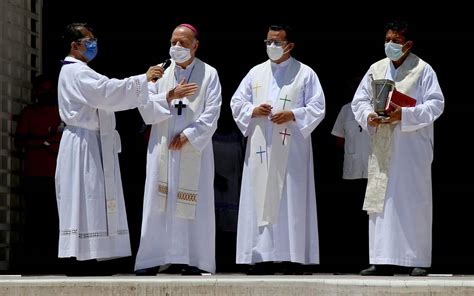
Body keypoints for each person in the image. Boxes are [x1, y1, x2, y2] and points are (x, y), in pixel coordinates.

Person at [55, 23, 165, 265]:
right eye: (89, 40)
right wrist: (142, 79)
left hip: (92, 141)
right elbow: (106, 92)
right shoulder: (77, 72)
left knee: (90, 197)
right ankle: (81, 258)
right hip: (84, 144)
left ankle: (89, 256)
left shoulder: (77, 70)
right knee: (86, 196)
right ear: (75, 45)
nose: (94, 44)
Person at [230, 24, 325, 275]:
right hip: (262, 145)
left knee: (290, 199)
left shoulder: (305, 73)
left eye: (277, 42)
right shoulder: (255, 72)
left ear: (289, 46)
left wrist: (293, 113)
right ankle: (261, 257)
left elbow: (318, 107)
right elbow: (237, 102)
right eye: (268, 42)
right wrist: (253, 110)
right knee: (259, 198)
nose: (272, 47)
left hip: (290, 147)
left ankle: (292, 257)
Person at [352, 20, 444, 276]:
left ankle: (417, 259)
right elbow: (359, 100)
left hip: (411, 147)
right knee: (382, 200)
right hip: (383, 143)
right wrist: (369, 115)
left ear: (408, 45)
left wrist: (404, 114)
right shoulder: (376, 68)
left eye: (396, 41)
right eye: (387, 39)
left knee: (412, 200)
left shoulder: (423, 69)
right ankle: (381, 259)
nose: (390, 45)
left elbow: (436, 104)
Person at [134, 24, 222, 276]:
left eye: (183, 43)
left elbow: (213, 111)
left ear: (196, 45)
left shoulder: (209, 74)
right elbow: (146, 109)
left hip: (193, 149)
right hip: (163, 148)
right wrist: (170, 95)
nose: (177, 47)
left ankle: (192, 259)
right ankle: (153, 258)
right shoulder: (159, 73)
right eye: (174, 42)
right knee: (157, 202)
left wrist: (190, 134)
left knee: (193, 202)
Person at [14, 74, 63, 273]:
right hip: (35, 175)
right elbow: (20, 141)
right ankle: (33, 264)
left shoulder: (62, 112)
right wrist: (43, 142)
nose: (47, 94)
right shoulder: (29, 113)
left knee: (55, 221)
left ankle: (55, 262)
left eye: (50, 90)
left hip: (58, 177)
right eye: (43, 90)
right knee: (34, 221)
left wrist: (50, 142)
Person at [331, 102, 370, 180]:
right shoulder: (346, 110)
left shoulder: (378, 110)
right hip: (352, 169)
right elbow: (339, 139)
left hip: (372, 170)